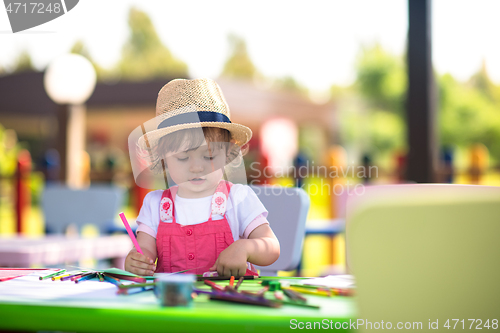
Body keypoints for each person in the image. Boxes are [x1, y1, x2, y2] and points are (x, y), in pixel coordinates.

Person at [125, 78, 280, 277]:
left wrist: (245, 248)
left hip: (226, 302)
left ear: (228, 153)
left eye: (209, 156)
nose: (197, 167)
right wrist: (137, 260)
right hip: (172, 303)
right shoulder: (155, 204)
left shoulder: (239, 198)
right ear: (163, 157)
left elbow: (272, 247)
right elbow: (145, 250)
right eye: (182, 157)